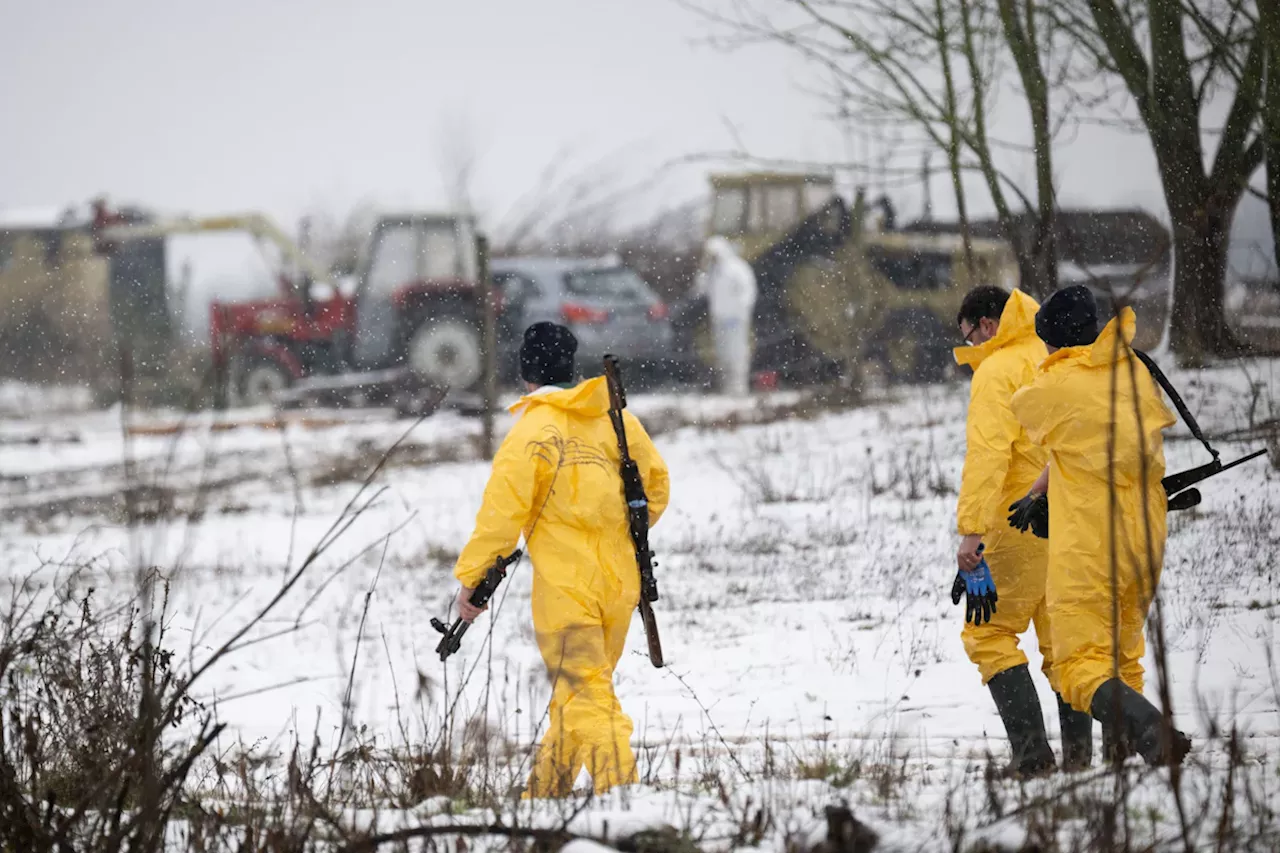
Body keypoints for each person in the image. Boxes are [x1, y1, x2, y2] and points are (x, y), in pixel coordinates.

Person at [452, 321, 671, 797]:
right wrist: (612, 533)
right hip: (621, 585)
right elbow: (655, 490)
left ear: (527, 373)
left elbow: (501, 516)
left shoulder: (533, 431)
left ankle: (625, 796)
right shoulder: (618, 420)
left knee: (587, 696)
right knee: (579, 691)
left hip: (567, 590)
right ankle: (543, 796)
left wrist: (471, 581)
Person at [1010, 285, 1191, 768]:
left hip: (1092, 542)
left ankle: (1153, 730)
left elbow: (1033, 408)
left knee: (1077, 665)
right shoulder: (1131, 369)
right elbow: (1086, 440)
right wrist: (1041, 490)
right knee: (1123, 653)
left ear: (1055, 340)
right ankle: (1123, 765)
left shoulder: (1055, 386)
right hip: (1144, 534)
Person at [953, 285, 1094, 776]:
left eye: (968, 334)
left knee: (988, 632)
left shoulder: (996, 371)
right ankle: (1080, 758)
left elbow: (988, 455)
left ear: (988, 325)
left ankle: (1032, 757)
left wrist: (971, 531)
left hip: (1016, 523)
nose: (969, 346)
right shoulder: (1051, 354)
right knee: (1063, 642)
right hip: (1067, 516)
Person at [690, 236, 757, 396]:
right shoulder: (712, 272)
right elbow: (700, 290)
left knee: (737, 354)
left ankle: (739, 389)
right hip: (719, 319)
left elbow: (748, 291)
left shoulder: (737, 268)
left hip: (736, 319)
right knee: (722, 355)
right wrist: (703, 270)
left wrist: (741, 312)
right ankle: (726, 389)